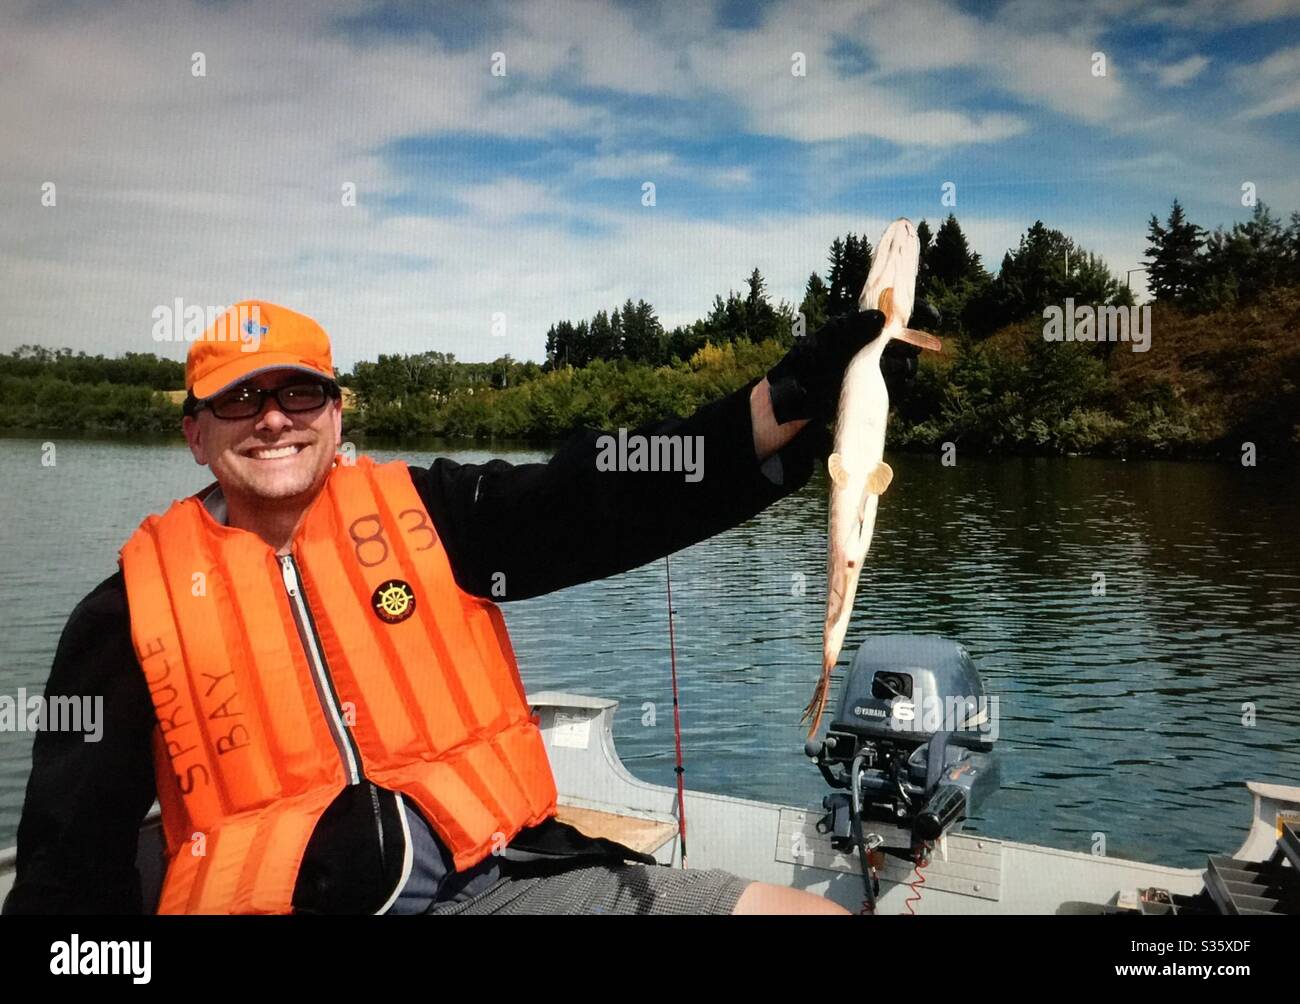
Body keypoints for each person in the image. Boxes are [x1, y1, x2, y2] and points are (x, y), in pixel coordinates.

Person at [3, 298, 927, 916]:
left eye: (298, 392)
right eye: (239, 401)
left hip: (496, 883)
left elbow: (602, 497)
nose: (273, 417)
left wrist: (782, 407)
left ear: (335, 414)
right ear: (196, 434)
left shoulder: (434, 514)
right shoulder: (125, 613)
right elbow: (64, 874)